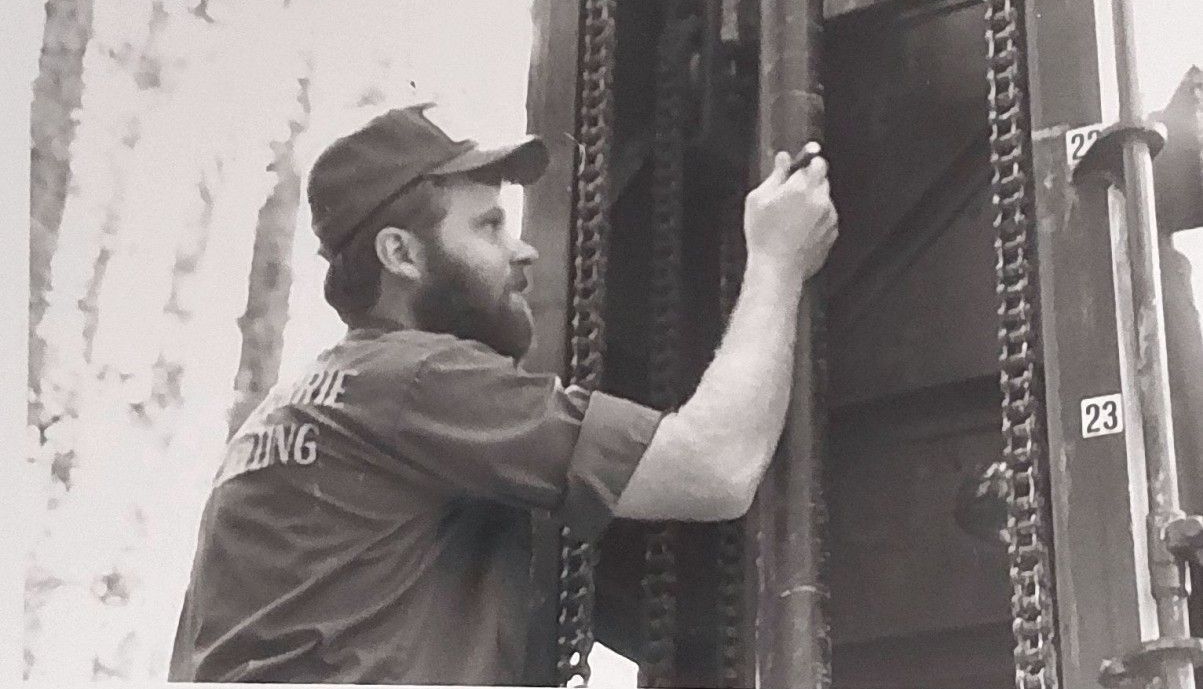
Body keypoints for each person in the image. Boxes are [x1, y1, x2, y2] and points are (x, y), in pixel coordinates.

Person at [168, 103, 838, 685]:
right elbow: (714, 467)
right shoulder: (417, 379)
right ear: (401, 253)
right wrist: (777, 259)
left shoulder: (283, 419)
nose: (523, 252)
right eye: (487, 227)